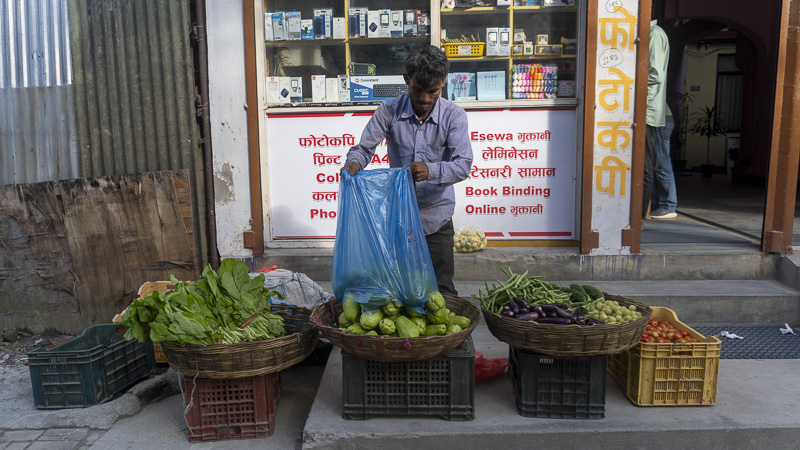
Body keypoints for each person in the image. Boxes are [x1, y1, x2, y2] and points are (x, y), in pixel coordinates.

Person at [340, 45, 473, 295]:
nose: (424, 99)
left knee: (441, 290)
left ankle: (456, 337)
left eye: (433, 91)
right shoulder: (388, 111)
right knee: (399, 288)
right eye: (417, 90)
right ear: (406, 80)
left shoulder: (454, 116)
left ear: (443, 83)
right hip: (399, 216)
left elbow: (462, 165)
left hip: (436, 217)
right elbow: (364, 148)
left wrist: (430, 171)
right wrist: (354, 164)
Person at [643, 19, 677, 219]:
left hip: (658, 114)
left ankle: (667, 204)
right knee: (655, 161)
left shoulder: (654, 34)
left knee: (660, 161)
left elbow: (655, 73)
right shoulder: (653, 33)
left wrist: (631, 79)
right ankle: (660, 203)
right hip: (658, 112)